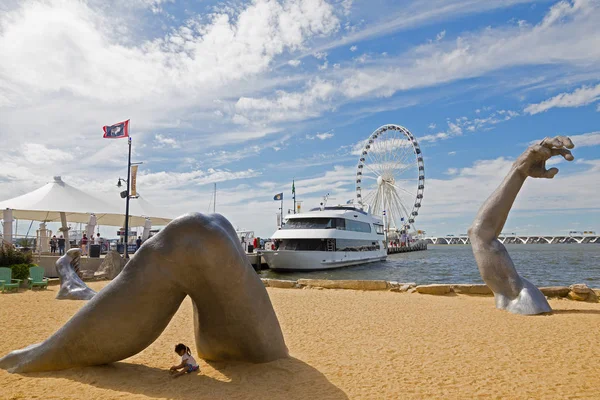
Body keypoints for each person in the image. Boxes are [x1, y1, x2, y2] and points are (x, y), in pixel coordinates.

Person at [468, 136, 574, 315]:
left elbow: (480, 233)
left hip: (524, 302)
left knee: (479, 235)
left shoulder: (518, 293)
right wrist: (518, 172)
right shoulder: (508, 291)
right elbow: (480, 233)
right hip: (519, 301)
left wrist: (518, 172)